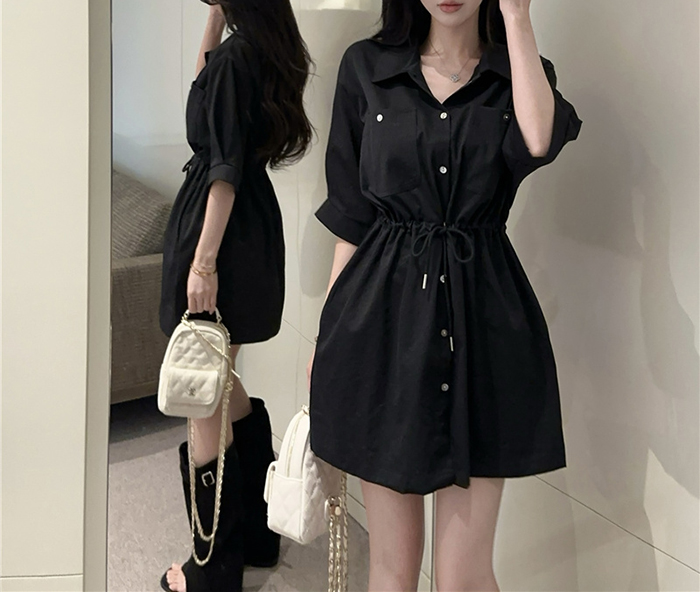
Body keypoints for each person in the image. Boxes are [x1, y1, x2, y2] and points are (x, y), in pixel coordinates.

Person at [308, 0, 582, 590]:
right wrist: (327, 335)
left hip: (482, 325)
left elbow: (539, 139)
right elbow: (351, 216)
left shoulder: (518, 71)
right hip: (381, 324)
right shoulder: (366, 67)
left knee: (462, 577)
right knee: (392, 567)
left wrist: (518, 18)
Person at [159, 1, 312, 591]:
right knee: (219, 377)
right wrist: (217, 16)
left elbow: (221, 168)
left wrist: (202, 263)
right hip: (251, 230)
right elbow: (208, 92)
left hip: (219, 236)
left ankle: (211, 569)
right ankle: (255, 534)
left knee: (201, 391)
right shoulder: (264, 49)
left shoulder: (235, 59)